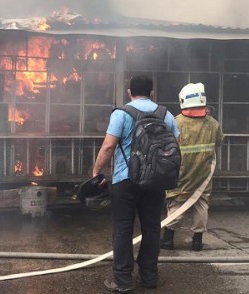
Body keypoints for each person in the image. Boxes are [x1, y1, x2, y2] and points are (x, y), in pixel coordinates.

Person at [92, 74, 180, 292]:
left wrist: (96, 172)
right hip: (155, 181)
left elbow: (108, 147)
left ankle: (122, 280)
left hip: (125, 180)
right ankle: (149, 277)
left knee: (123, 229)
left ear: (129, 92)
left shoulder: (122, 113)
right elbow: (175, 146)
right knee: (151, 227)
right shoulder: (166, 114)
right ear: (152, 93)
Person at [160, 82, 224, 252]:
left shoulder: (176, 122)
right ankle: (197, 241)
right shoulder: (213, 124)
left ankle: (168, 240)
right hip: (203, 175)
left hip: (181, 174)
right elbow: (219, 142)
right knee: (201, 206)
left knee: (176, 206)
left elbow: (166, 146)